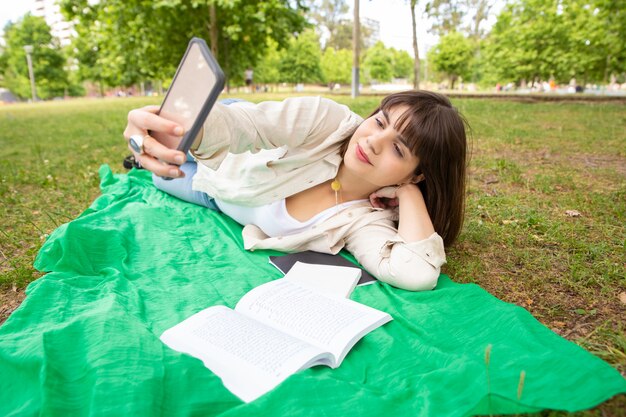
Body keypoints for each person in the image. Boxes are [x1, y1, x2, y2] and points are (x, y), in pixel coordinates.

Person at [123, 91, 468, 291]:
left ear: (419, 174)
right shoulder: (327, 120)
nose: (373, 142)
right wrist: (183, 129)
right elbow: (245, 125)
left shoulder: (366, 220)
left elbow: (416, 273)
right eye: (379, 122)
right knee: (166, 146)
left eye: (399, 149)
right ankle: (151, 150)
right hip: (234, 140)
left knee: (162, 177)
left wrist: (408, 193)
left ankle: (147, 160)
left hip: (215, 192)